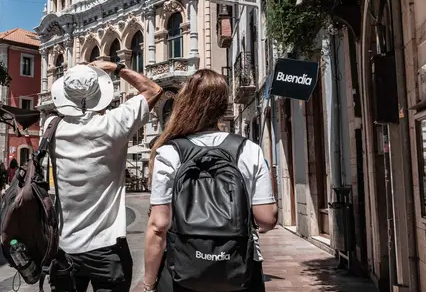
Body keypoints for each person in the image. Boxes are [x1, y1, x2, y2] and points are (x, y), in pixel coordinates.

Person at [142, 69, 278, 292]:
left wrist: (149, 284)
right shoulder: (248, 150)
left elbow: (158, 226)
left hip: (183, 272)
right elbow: (267, 219)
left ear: (183, 103)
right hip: (238, 271)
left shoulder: (169, 153)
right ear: (223, 104)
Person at [47, 60, 162, 292]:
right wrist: (116, 68)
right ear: (99, 94)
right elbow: (153, 90)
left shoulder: (51, 127)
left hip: (65, 248)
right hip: (107, 250)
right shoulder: (113, 124)